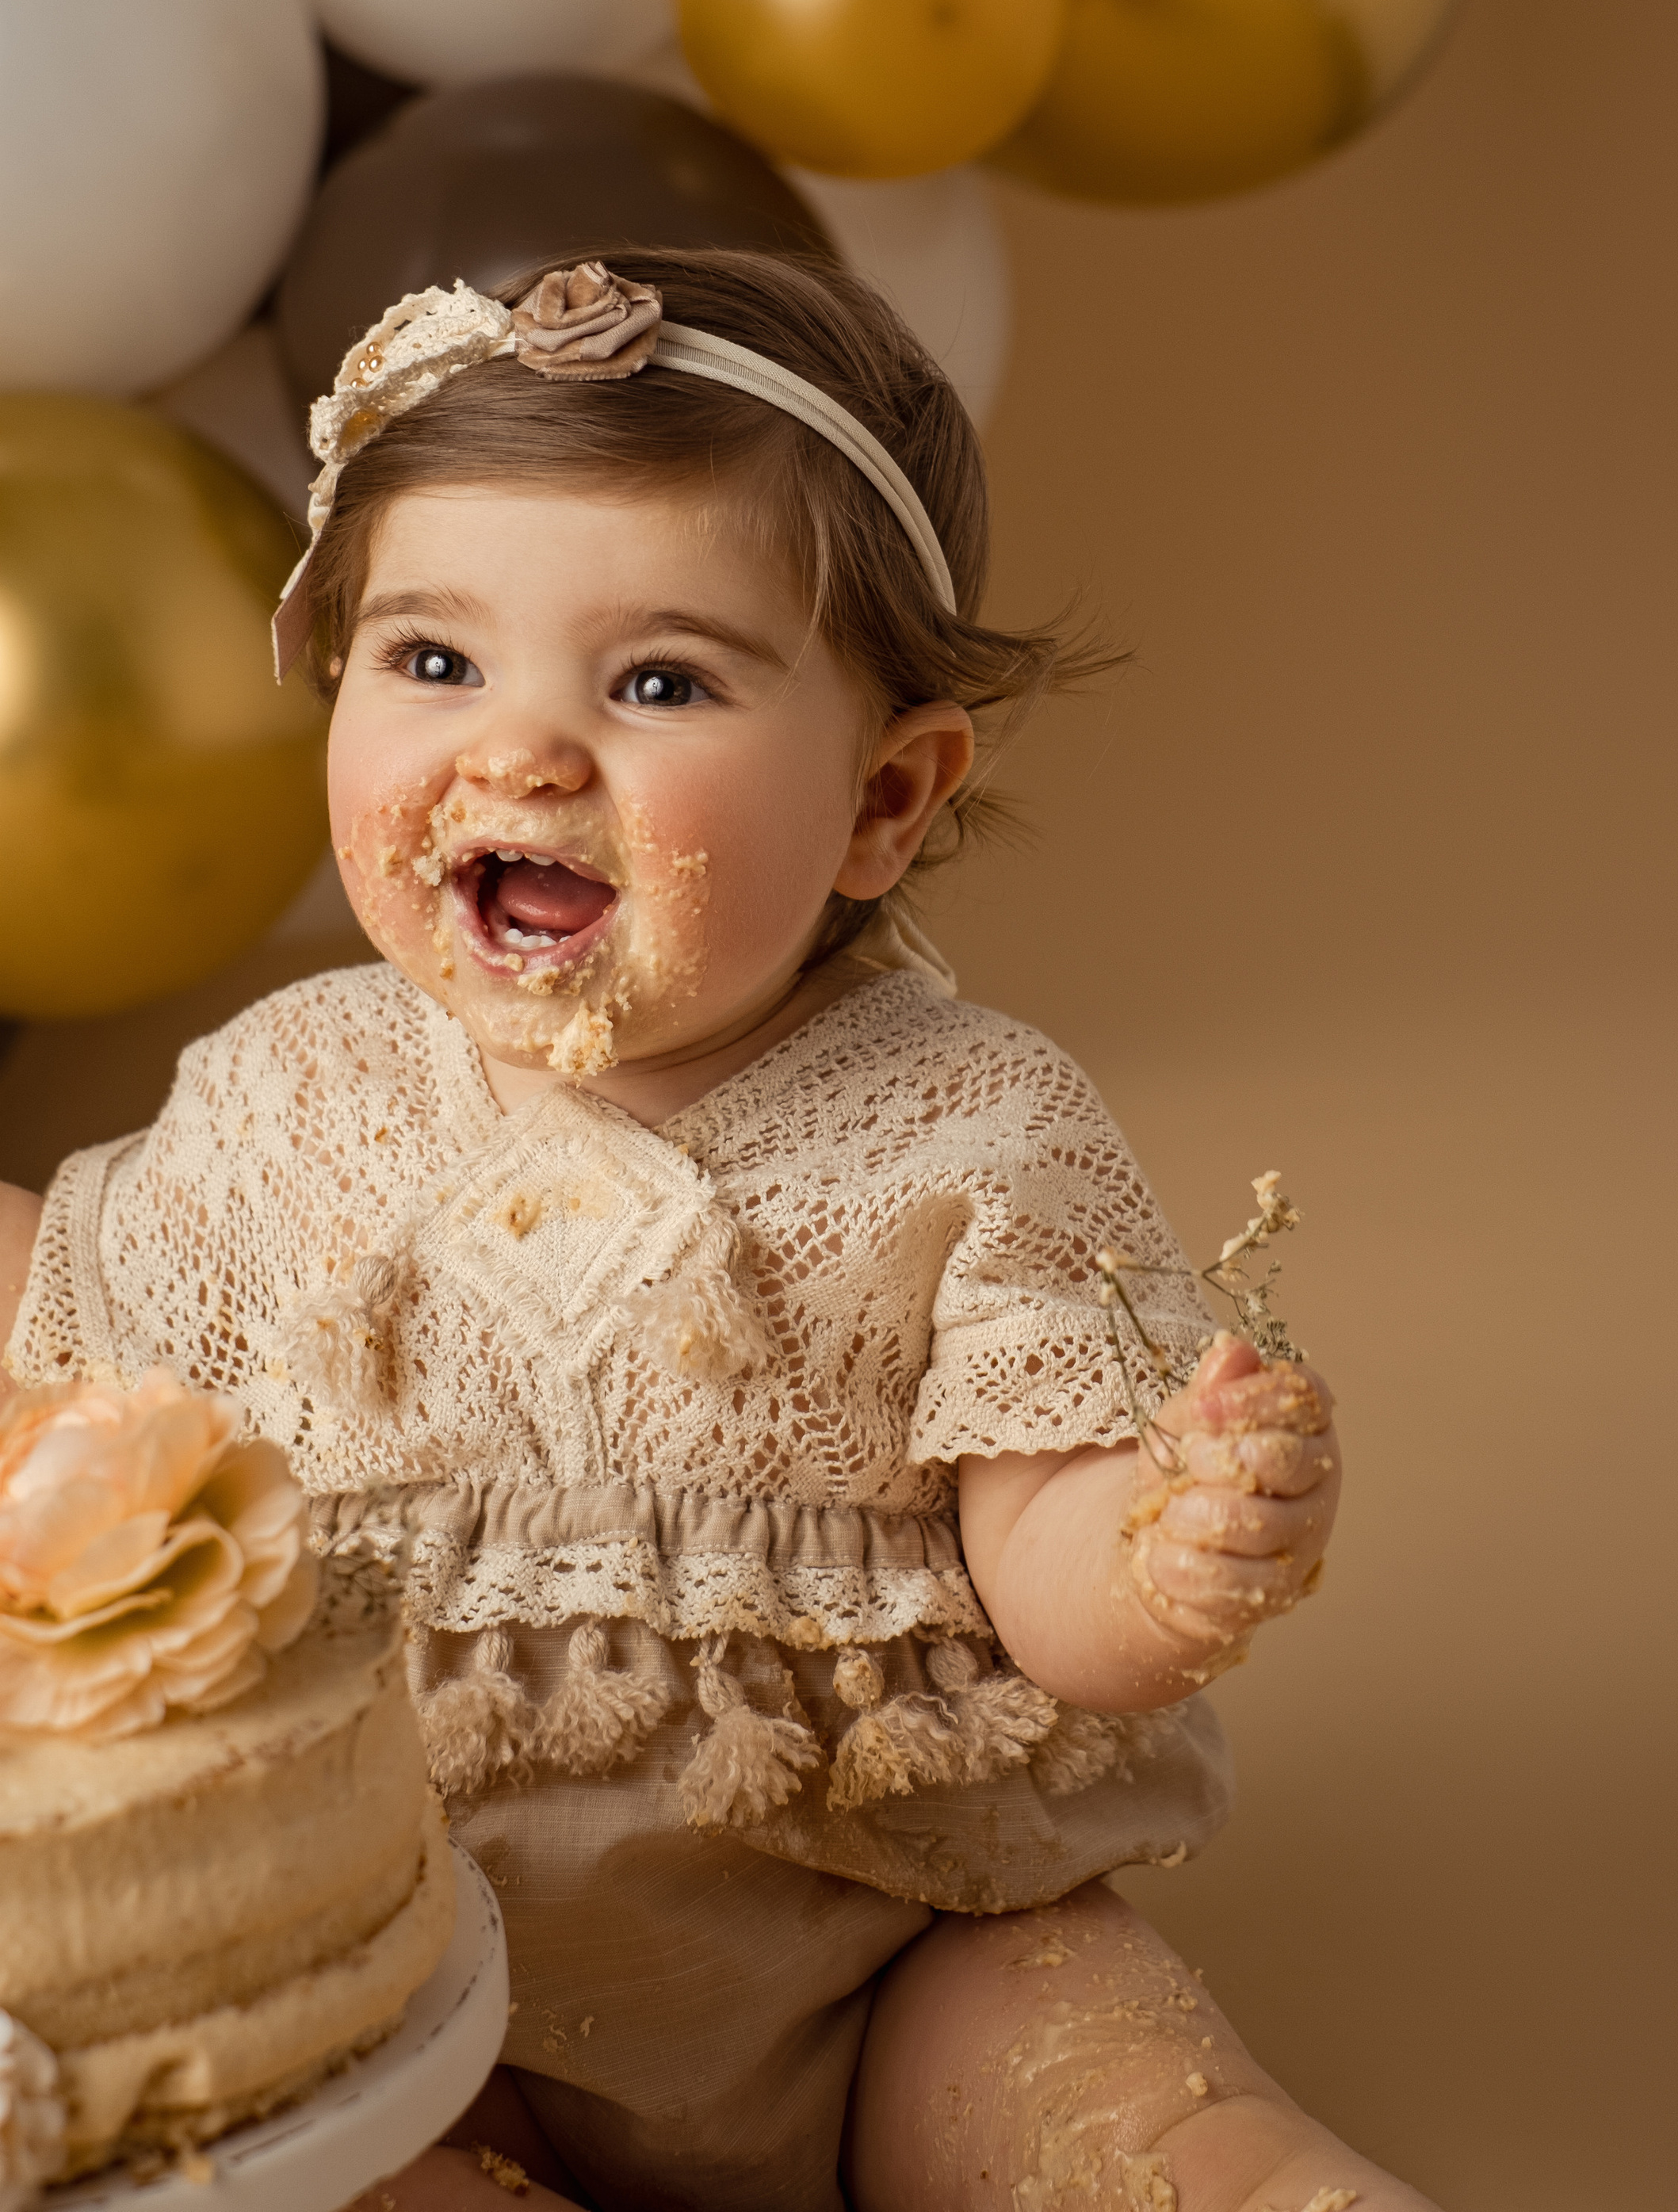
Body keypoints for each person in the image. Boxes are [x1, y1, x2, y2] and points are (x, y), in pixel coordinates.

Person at [0, 252, 1438, 2212]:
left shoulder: (965, 1124)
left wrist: (1165, 1547)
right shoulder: (292, 1098)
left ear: (882, 798)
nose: (518, 754)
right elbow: (84, 1387)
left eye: (658, 682)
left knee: (1126, 2106)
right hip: (402, 1987)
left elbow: (1045, 1575)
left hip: (880, 1951)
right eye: (431, 662)